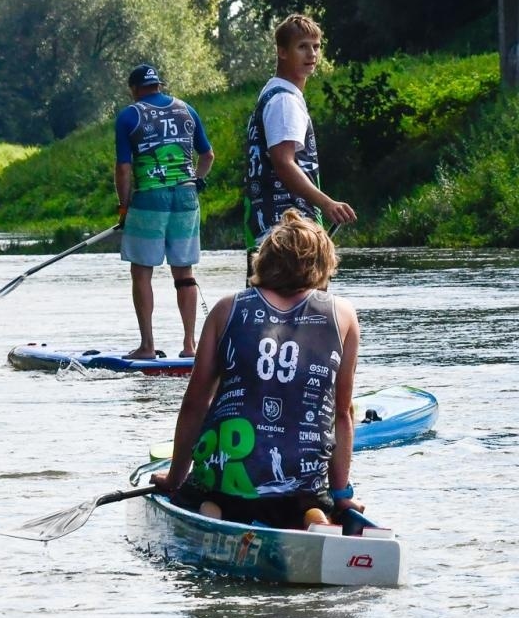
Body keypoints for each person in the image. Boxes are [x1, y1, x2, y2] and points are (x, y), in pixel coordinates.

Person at [151, 209, 363, 530]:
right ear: (321, 267)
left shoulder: (227, 309)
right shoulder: (344, 315)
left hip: (230, 474)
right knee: (309, 499)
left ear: (263, 261)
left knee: (206, 494)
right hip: (300, 478)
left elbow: (195, 402)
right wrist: (341, 493)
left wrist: (175, 477)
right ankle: (313, 515)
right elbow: (342, 413)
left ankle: (211, 511)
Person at [114, 63, 213, 359]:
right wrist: (197, 180)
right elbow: (207, 155)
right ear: (158, 84)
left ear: (134, 89)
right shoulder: (187, 110)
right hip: (186, 197)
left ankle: (146, 346)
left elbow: (123, 168)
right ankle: (189, 345)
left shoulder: (130, 115)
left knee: (142, 271)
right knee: (184, 271)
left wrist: (123, 206)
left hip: (149, 198)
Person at [244, 14, 355, 266]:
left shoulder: (271, 93)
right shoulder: (284, 101)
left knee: (268, 302)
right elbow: (284, 163)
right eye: (302, 46)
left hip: (270, 227)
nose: (312, 54)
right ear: (282, 52)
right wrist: (326, 203)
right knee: (303, 302)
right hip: (288, 229)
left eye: (316, 47)